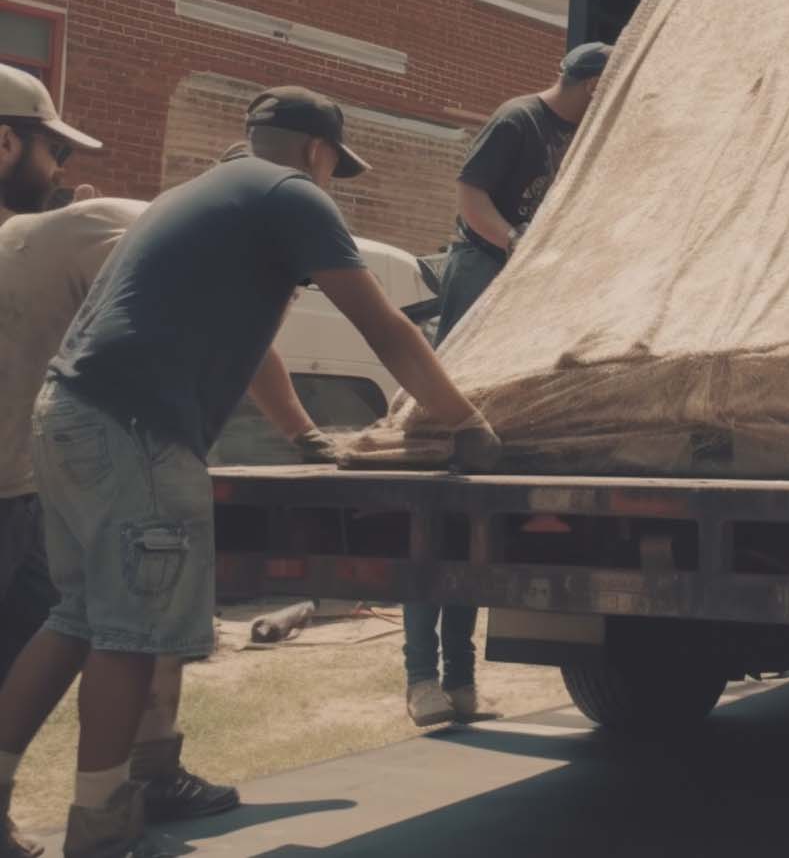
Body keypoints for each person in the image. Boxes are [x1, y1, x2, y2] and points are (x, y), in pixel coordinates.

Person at [0, 84, 500, 857]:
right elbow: (385, 327)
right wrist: (464, 422)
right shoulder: (294, 196)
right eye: (335, 167)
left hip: (66, 418)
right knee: (129, 637)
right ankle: (101, 831)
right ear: (317, 151)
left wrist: (302, 434)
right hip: (137, 428)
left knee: (74, 619)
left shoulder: (199, 196)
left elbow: (254, 344)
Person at [0, 67, 249, 856]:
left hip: (30, 485)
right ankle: (117, 803)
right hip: (19, 492)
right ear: (6, 142)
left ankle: (130, 787)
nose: (61, 171)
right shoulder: (83, 228)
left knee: (82, 622)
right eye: (50, 151)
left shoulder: (41, 233)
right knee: (127, 617)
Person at [404, 41, 609, 727]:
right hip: (485, 265)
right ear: (586, 84)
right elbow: (470, 195)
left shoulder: (585, 138)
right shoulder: (519, 120)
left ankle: (459, 681)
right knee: (446, 459)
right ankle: (422, 677)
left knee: (470, 519)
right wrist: (516, 247)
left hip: (536, 272)